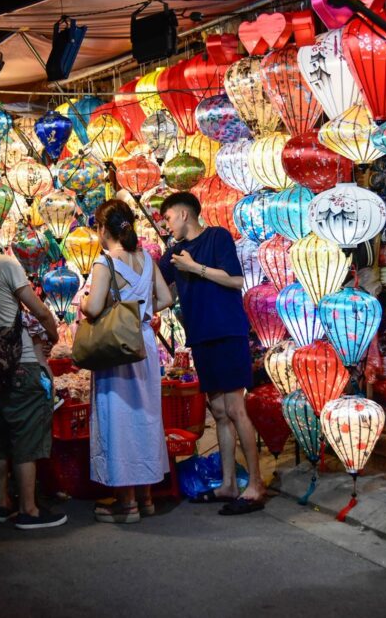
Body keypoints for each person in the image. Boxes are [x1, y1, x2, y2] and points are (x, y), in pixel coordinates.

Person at [0, 198, 66, 530]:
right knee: (26, 434)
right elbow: (39, 309)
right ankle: (29, 510)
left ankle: (2, 502)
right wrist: (53, 334)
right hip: (20, 361)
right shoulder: (4, 263)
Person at [158, 192, 266, 515]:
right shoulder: (173, 253)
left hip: (227, 331)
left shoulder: (217, 237)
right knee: (218, 411)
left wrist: (195, 268)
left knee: (235, 408)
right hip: (201, 336)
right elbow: (155, 283)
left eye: (168, 218)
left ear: (183, 214)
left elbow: (235, 280)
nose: (166, 226)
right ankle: (228, 484)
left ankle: (256, 485)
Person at [80, 200, 173, 523]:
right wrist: (141, 313)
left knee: (119, 421)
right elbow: (166, 298)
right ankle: (146, 499)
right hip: (144, 343)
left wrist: (85, 303)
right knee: (145, 418)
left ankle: (127, 504)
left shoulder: (105, 262)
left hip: (117, 348)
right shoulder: (146, 258)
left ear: (102, 229)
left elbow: (94, 308)